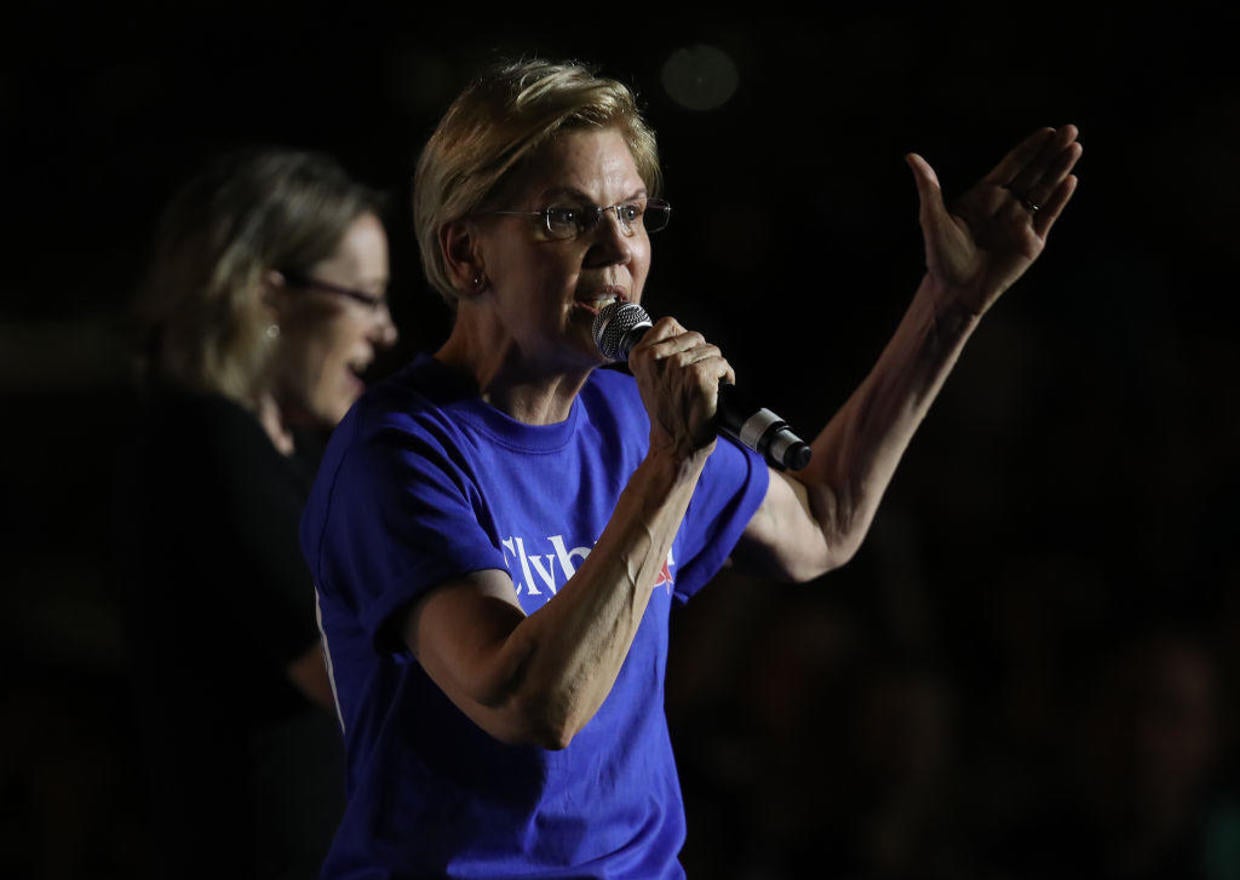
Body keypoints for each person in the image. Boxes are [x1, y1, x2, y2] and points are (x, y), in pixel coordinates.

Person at [299, 56, 1082, 878]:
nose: (616, 251)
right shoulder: (402, 451)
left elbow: (825, 521)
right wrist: (672, 465)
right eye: (566, 218)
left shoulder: (630, 417)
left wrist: (948, 307)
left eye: (632, 214)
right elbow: (532, 703)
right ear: (467, 255)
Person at [112, 145, 398, 879]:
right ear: (269, 297)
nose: (386, 330)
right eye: (365, 296)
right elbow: (357, 680)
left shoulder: (296, 452)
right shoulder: (206, 441)